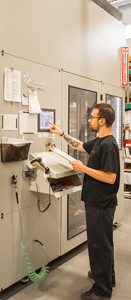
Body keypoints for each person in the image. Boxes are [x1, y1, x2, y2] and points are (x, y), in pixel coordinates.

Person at [49, 103, 120, 300]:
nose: (89, 120)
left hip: (101, 203)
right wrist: (61, 133)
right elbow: (79, 145)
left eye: (93, 117)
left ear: (102, 121)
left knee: (99, 245)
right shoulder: (99, 141)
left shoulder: (108, 145)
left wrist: (83, 168)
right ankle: (107, 276)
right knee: (103, 243)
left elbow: (110, 177)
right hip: (96, 201)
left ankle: (102, 290)